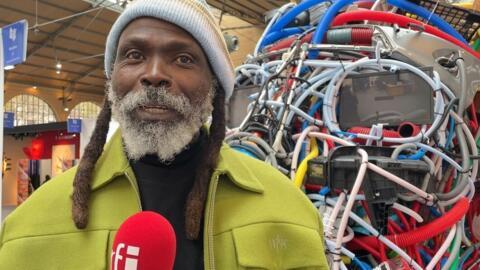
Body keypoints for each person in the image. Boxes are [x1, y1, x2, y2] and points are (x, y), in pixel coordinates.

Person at [0, 0, 329, 269]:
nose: (154, 74)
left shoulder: (288, 214)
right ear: (112, 80)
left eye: (183, 59)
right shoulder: (27, 227)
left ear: (214, 87)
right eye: (134, 55)